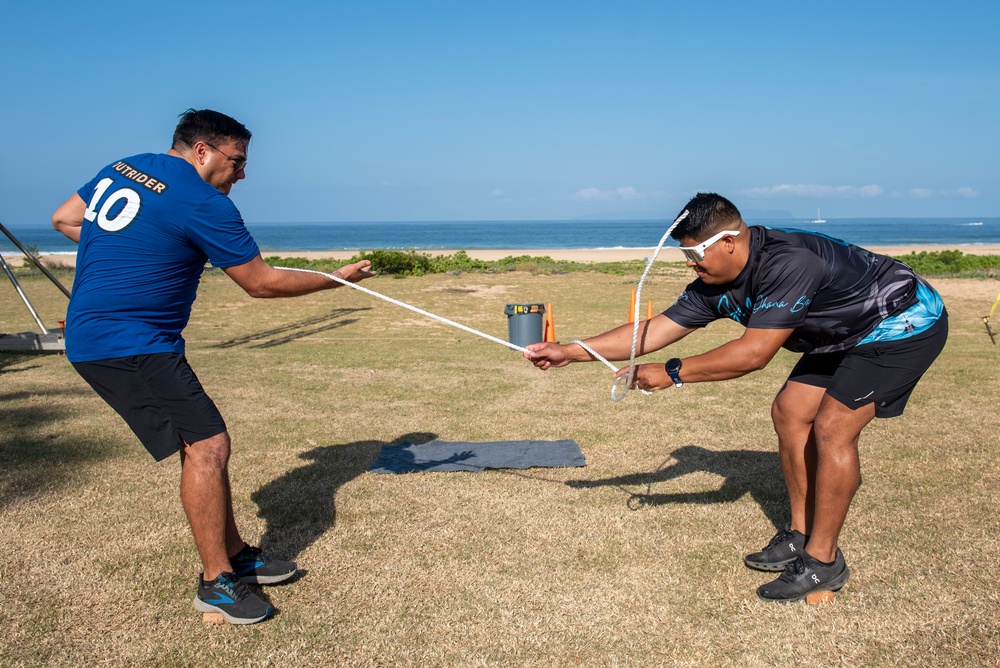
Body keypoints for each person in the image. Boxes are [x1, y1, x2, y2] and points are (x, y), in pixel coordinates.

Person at [525, 193, 948, 603]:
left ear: (728, 241)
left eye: (696, 254)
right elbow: (655, 330)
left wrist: (673, 373)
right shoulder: (714, 281)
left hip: (902, 321)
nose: (692, 264)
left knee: (832, 427)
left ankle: (824, 561)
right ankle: (800, 534)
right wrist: (569, 350)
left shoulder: (789, 262)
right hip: (841, 333)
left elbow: (753, 354)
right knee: (789, 412)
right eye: (685, 256)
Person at [52, 109, 375, 624]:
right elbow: (261, 282)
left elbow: (66, 220)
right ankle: (215, 584)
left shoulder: (126, 166)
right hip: (128, 342)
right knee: (208, 445)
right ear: (203, 151)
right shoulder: (203, 202)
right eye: (238, 161)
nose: (242, 174)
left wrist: (139, 253)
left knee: (199, 441)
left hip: (110, 336)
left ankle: (236, 556)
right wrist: (336, 279)